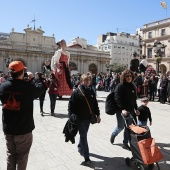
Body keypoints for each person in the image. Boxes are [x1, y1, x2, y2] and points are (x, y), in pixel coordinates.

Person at [0, 61, 46, 170]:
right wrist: (33, 78)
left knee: (10, 154)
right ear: (22, 72)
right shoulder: (27, 88)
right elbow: (42, 87)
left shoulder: (2, 86)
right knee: (22, 157)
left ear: (10, 73)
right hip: (23, 130)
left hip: (9, 128)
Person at [68, 74, 101, 164]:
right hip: (80, 118)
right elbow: (71, 105)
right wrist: (71, 116)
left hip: (88, 118)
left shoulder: (91, 91)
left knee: (84, 134)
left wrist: (98, 115)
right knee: (83, 136)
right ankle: (87, 158)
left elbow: (95, 104)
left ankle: (80, 147)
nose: (87, 82)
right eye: (85, 80)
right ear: (81, 81)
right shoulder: (77, 92)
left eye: (89, 80)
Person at [110, 69, 140, 151]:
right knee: (121, 127)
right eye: (127, 76)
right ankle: (113, 134)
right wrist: (122, 109)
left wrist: (136, 109)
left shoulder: (133, 86)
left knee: (129, 127)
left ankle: (125, 143)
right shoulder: (120, 86)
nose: (129, 77)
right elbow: (117, 98)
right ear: (124, 77)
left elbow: (134, 99)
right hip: (121, 111)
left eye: (130, 76)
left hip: (130, 111)